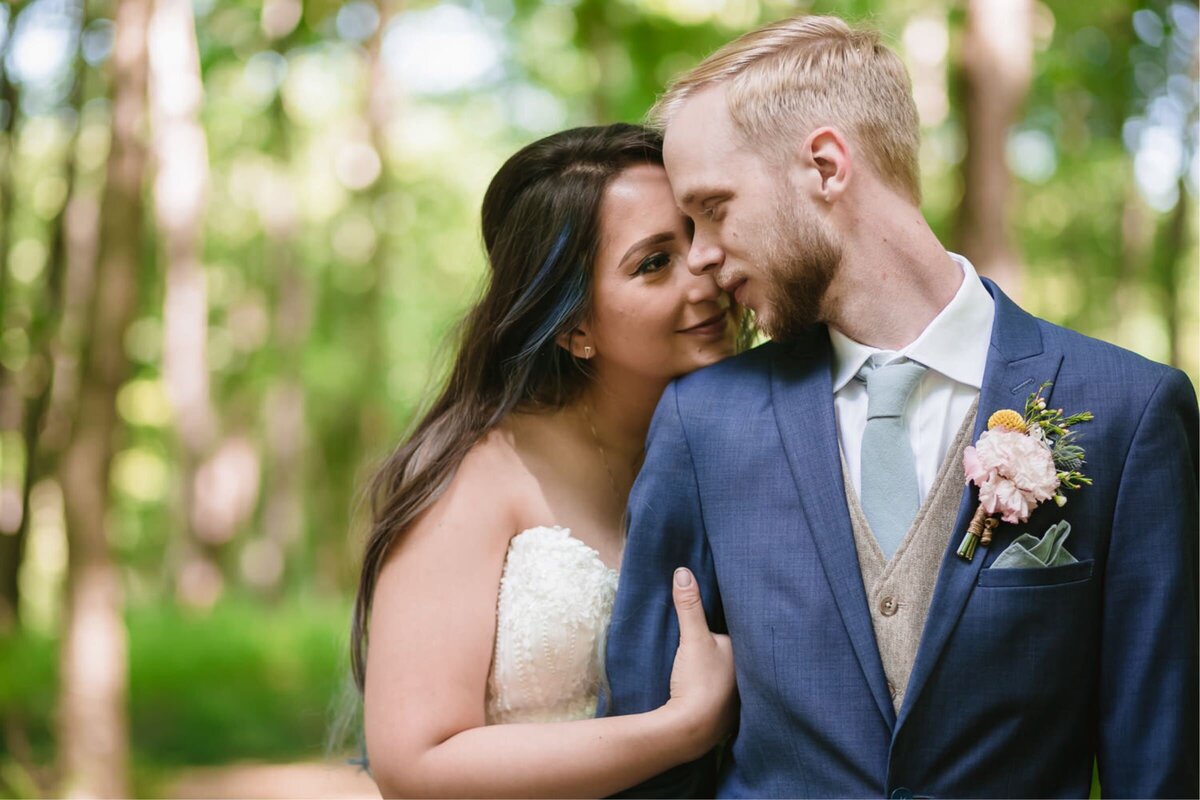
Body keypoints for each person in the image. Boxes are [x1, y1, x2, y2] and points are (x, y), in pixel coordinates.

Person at [604, 14, 1199, 799]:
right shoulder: (703, 423)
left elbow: (1157, 763)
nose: (704, 257)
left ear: (824, 165)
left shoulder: (1128, 410)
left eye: (713, 209)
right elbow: (647, 761)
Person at [353, 123, 743, 798]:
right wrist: (680, 729)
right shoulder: (475, 475)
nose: (705, 272)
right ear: (574, 327)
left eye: (698, 233)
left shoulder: (738, 444)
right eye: (654, 262)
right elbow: (413, 764)